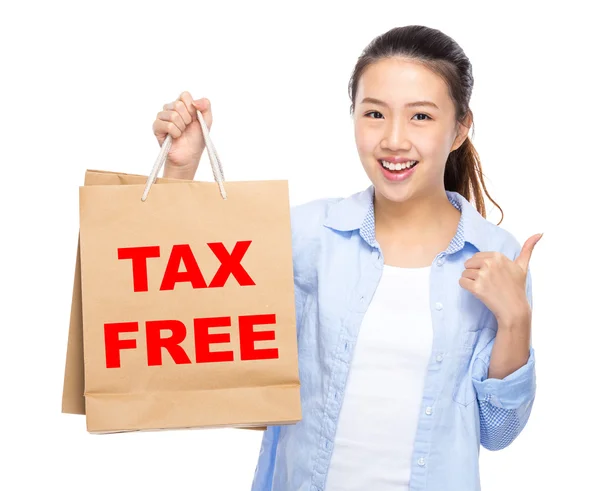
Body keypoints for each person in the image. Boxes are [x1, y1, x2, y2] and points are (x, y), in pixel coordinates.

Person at [152, 24, 541, 491]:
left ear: (459, 129)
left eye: (420, 117)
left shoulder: (496, 256)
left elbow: (497, 432)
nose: (393, 140)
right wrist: (180, 168)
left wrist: (516, 319)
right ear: (353, 115)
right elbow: (178, 305)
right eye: (374, 113)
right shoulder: (306, 234)